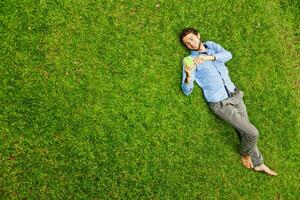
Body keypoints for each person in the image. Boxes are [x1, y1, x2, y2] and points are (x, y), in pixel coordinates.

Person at [179, 28, 277, 176]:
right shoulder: (191, 61)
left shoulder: (211, 46)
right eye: (187, 43)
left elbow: (228, 55)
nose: (191, 44)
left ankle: (259, 164)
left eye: (192, 39)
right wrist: (187, 75)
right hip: (220, 103)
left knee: (245, 130)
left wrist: (209, 58)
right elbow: (187, 90)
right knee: (252, 133)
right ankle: (245, 154)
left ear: (198, 36)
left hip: (235, 94)